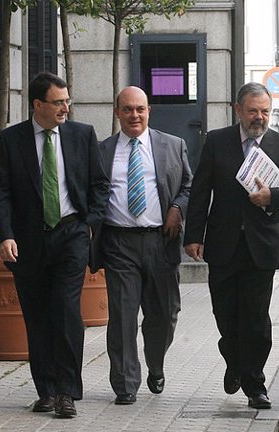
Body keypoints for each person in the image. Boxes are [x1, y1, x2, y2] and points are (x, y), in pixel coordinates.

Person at [0, 71, 109, 417]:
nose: (65, 108)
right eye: (58, 102)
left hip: (71, 234)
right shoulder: (11, 141)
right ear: (38, 104)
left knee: (67, 311)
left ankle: (68, 391)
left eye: (67, 101)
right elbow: (0, 191)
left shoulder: (81, 135)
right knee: (37, 315)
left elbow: (99, 185)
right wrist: (5, 235)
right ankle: (46, 390)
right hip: (28, 240)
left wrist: (89, 225)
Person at [184, 82, 279, 410]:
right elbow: (201, 190)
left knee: (256, 318)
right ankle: (233, 359)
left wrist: (271, 197)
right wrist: (194, 236)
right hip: (222, 243)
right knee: (225, 315)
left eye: (265, 111)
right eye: (253, 111)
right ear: (238, 110)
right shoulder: (217, 142)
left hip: (261, 245)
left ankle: (255, 383)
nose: (259, 118)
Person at [95, 86, 192, 405]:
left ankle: (156, 364)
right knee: (122, 316)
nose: (134, 115)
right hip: (119, 242)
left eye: (140, 109)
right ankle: (125, 384)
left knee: (165, 314)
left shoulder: (173, 145)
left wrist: (177, 209)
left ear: (149, 111)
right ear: (117, 112)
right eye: (127, 109)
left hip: (160, 242)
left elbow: (189, 186)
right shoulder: (103, 151)